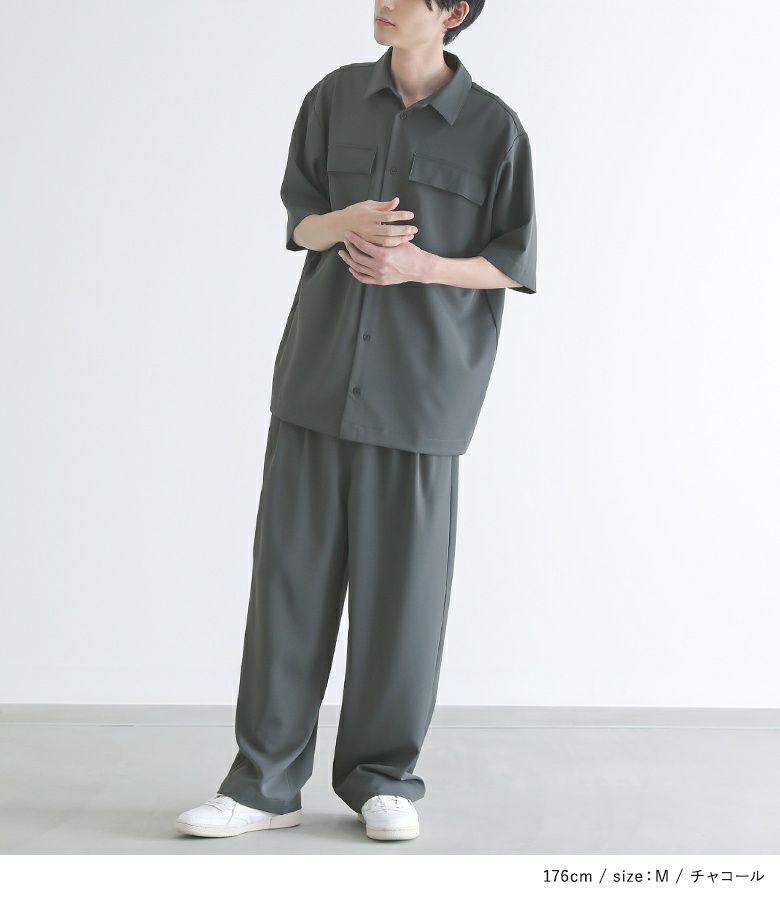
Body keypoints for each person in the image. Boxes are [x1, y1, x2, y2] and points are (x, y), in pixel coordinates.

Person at [176, 0, 536, 842]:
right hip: (318, 379)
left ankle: (382, 780)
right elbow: (301, 217)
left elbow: (514, 262)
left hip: (421, 396)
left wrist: (421, 264)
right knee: (287, 589)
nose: (382, 2)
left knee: (402, 603)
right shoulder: (333, 98)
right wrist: (338, 224)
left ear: (453, 11)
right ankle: (263, 786)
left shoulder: (495, 129)